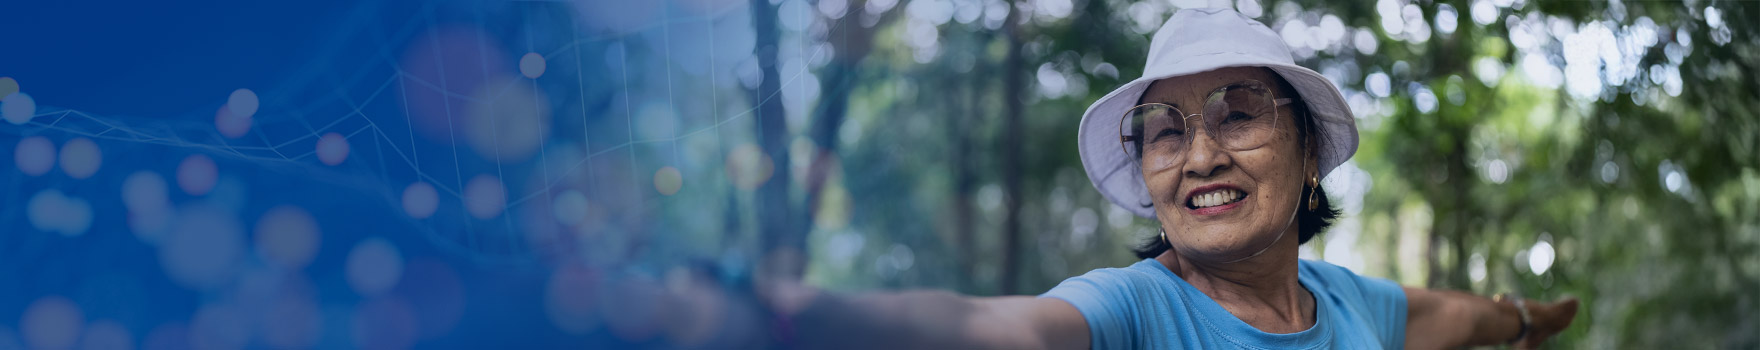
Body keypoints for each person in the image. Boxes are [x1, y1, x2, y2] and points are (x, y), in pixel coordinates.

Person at [755, 7, 1578, 349]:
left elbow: (1454, 316)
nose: (1200, 157)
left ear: (1310, 155)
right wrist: (803, 311)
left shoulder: (1351, 303)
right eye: (1166, 131)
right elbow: (997, 325)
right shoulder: (1134, 309)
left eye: (1239, 114)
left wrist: (1525, 319)